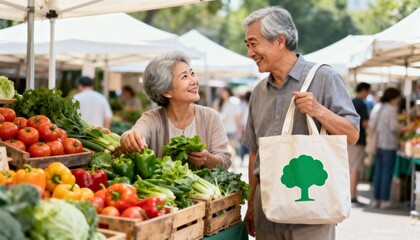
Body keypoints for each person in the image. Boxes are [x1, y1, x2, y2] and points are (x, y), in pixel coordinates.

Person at [242, 6, 360, 240]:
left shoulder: (324, 77)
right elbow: (255, 154)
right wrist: (252, 206)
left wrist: (319, 111)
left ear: (279, 40)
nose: (249, 52)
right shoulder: (259, 92)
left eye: (253, 43)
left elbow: (353, 134)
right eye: (247, 45)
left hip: (311, 214)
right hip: (268, 213)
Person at [120, 51, 231, 170]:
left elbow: (225, 161)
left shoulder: (210, 117)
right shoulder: (152, 118)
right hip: (163, 189)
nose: (194, 81)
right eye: (185, 76)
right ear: (167, 92)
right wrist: (128, 138)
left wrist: (208, 159)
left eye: (192, 73)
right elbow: (136, 132)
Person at [369, 87, 415, 209]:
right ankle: (384, 200)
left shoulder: (378, 107)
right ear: (393, 98)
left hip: (378, 143)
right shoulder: (391, 110)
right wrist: (407, 128)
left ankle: (376, 199)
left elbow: (371, 124)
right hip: (388, 144)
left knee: (378, 172)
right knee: (386, 172)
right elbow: (394, 128)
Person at [348, 82, 371, 205]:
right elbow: (365, 124)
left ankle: (349, 194)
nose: (368, 94)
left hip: (348, 139)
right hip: (358, 139)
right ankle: (352, 195)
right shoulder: (361, 104)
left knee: (350, 167)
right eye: (368, 91)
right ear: (363, 90)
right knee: (355, 169)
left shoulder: (350, 101)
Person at [212, 87, 242, 157]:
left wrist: (239, 130)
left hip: (232, 129)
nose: (223, 94)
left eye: (224, 92)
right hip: (221, 129)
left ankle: (232, 164)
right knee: (224, 150)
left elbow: (238, 117)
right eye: (222, 92)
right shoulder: (220, 102)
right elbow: (214, 113)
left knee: (231, 149)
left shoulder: (234, 102)